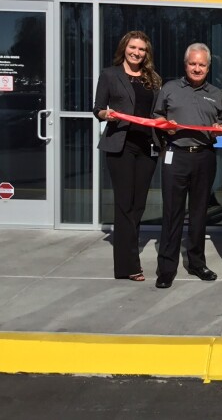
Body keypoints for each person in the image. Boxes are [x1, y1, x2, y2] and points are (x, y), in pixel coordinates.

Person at [153, 43, 222, 289]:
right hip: (176, 155)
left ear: (208, 67)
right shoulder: (170, 88)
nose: (197, 68)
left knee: (198, 215)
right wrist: (165, 125)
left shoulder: (216, 93)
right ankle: (166, 268)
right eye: (193, 64)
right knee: (172, 214)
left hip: (204, 157)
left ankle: (196, 263)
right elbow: (156, 117)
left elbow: (221, 123)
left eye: (202, 65)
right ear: (186, 65)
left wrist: (219, 129)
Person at [94, 31, 161, 282]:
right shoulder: (110, 75)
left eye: (142, 49)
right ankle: (128, 265)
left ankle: (129, 256)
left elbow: (156, 111)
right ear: (124, 48)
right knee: (125, 205)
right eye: (133, 47)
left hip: (146, 147)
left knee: (138, 205)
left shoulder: (152, 78)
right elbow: (98, 107)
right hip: (120, 145)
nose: (137, 52)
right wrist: (105, 115)